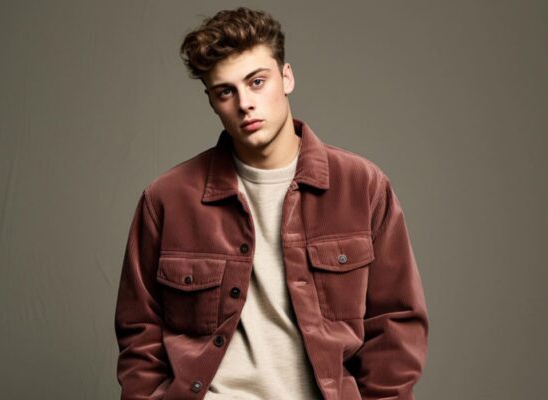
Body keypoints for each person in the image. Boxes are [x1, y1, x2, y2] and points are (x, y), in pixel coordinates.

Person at [114, 7, 428, 400]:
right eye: (226, 91)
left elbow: (396, 325)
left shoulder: (362, 187)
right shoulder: (168, 199)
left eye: (257, 82)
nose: (245, 103)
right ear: (212, 101)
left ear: (287, 77)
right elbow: (139, 333)